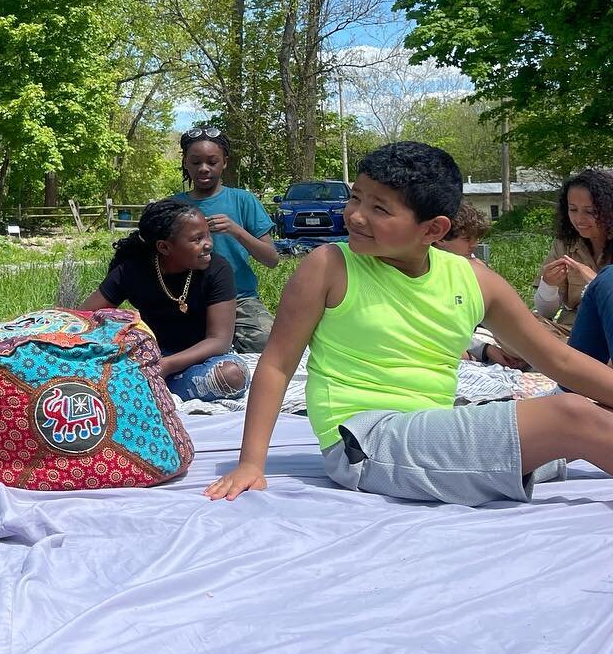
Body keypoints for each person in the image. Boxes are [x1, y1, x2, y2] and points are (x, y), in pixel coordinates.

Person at [206, 142, 613, 507]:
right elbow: (276, 364)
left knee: (590, 410)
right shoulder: (329, 266)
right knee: (571, 415)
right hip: (364, 439)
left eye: (380, 208)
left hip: (435, 426)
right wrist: (250, 463)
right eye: (356, 198)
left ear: (432, 229)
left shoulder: (473, 279)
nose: (357, 216)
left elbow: (558, 360)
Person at [81, 199, 250, 402]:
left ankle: (149, 386)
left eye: (208, 235)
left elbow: (219, 341)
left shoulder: (218, 269)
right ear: (164, 247)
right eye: (197, 239)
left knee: (232, 376)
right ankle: (154, 386)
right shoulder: (132, 271)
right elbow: (83, 317)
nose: (208, 244)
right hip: (150, 355)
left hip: (201, 358)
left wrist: (166, 366)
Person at [172, 126, 279, 352]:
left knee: (269, 343)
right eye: (195, 162)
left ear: (225, 162)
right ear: (185, 162)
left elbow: (272, 259)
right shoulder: (172, 206)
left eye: (212, 162)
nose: (203, 169)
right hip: (187, 301)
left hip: (240, 300)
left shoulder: (243, 200)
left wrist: (236, 231)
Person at [436, 203, 527, 370]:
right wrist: (484, 350)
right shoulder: (427, 272)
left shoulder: (475, 269)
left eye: (477, 239)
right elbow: (438, 327)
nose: (474, 245)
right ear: (441, 238)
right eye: (466, 239)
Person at [532, 169, 613, 331]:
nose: (579, 219)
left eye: (590, 211)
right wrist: (548, 286)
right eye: (573, 209)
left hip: (608, 329)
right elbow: (546, 311)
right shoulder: (564, 245)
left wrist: (598, 283)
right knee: (521, 326)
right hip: (572, 329)